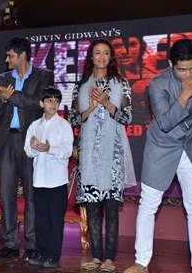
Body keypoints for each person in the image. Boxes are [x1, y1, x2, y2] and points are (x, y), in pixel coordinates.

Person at [125, 39, 192, 273]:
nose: (188, 74)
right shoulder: (157, 84)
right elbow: (166, 122)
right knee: (148, 204)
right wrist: (185, 94)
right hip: (161, 147)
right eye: (182, 69)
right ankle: (141, 262)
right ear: (170, 64)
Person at [70, 39, 136, 272]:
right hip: (89, 154)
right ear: (91, 57)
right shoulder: (81, 86)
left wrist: (106, 102)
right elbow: (74, 120)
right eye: (97, 53)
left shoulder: (121, 83)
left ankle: (110, 258)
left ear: (111, 58)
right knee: (93, 207)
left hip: (113, 153)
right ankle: (96, 257)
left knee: (110, 207)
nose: (101, 57)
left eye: (105, 53)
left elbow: (127, 118)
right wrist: (89, 107)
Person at [0, 37, 54, 261]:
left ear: (22, 55)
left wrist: (13, 96)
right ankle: (9, 243)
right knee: (6, 195)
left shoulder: (44, 76)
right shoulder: (2, 78)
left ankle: (31, 243)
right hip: (7, 140)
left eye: (10, 55)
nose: (6, 59)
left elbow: (39, 103)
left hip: (31, 140)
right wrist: (1, 99)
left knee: (31, 196)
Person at [24, 86, 73, 269]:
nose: (53, 104)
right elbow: (28, 152)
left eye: (56, 101)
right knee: (41, 221)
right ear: (41, 103)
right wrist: (34, 146)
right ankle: (41, 252)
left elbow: (68, 151)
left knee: (55, 221)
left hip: (58, 182)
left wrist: (49, 149)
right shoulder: (34, 126)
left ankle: (53, 255)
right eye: (49, 100)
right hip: (39, 180)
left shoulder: (64, 125)